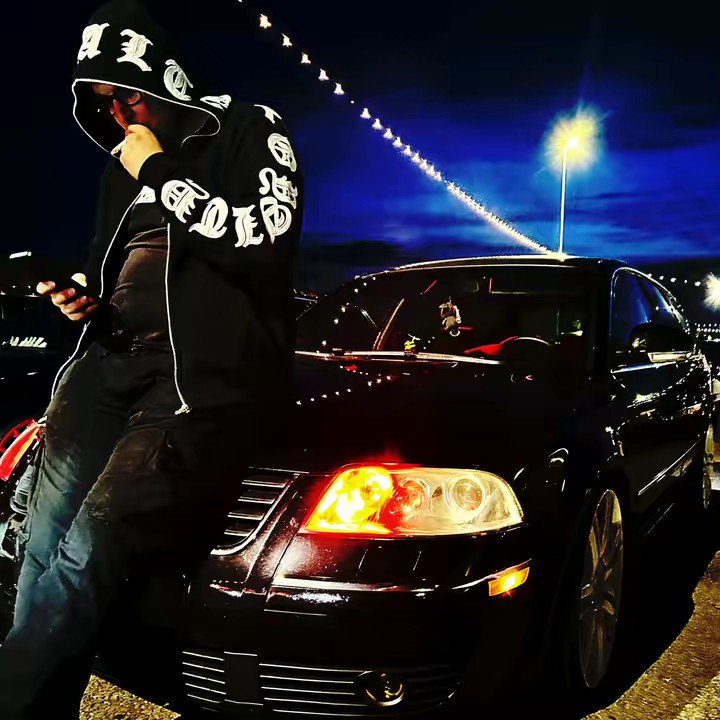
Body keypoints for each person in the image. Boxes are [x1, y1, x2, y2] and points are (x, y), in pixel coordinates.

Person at [0, 0, 302, 717]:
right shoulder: (120, 168)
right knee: (42, 545)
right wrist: (81, 297)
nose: (118, 115)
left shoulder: (248, 129)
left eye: (127, 95)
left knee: (91, 545)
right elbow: (111, 270)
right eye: (102, 104)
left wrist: (161, 171)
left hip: (188, 377)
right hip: (105, 363)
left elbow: (265, 238)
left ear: (164, 78)